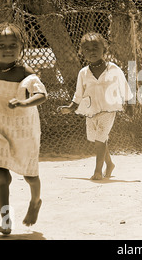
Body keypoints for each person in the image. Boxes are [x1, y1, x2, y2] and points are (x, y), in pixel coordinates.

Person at [0, 22, 47, 235]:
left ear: (21, 47)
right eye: (1, 45)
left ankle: (35, 200)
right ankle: (6, 219)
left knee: (30, 175)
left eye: (13, 45)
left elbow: (41, 95)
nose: (7, 49)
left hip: (24, 131)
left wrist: (24, 103)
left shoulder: (25, 72)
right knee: (1, 177)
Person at [57, 32, 133, 180]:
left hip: (109, 109)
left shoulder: (113, 69)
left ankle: (98, 171)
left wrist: (129, 104)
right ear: (82, 52)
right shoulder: (83, 73)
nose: (91, 51)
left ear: (104, 49)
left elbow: (125, 86)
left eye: (95, 47)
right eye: (87, 49)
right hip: (91, 110)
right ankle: (109, 164)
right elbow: (78, 94)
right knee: (96, 139)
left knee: (100, 139)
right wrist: (70, 107)